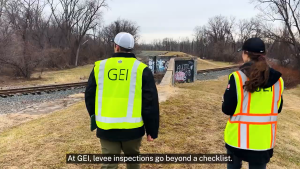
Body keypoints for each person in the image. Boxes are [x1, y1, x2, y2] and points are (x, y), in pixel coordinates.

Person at [85, 32, 160, 169]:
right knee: (133, 162)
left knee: (109, 164)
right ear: (131, 48)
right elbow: (150, 103)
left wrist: (94, 116)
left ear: (116, 47)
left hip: (106, 128)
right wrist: (151, 130)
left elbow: (89, 96)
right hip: (133, 130)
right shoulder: (142, 69)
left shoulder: (100, 67)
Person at [222, 38, 284, 169]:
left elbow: (227, 109)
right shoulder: (278, 81)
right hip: (262, 142)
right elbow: (277, 108)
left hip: (236, 139)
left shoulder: (237, 78)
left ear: (245, 53)